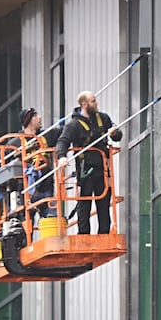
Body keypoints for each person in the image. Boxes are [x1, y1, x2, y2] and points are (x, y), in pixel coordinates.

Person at [56, 91, 122, 234]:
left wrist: (114, 133)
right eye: (93, 101)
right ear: (84, 104)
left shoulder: (103, 119)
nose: (96, 103)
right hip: (86, 170)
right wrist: (62, 156)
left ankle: (104, 234)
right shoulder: (73, 125)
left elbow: (118, 135)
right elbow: (62, 142)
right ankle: (83, 235)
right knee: (84, 203)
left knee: (104, 203)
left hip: (103, 169)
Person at [0, 107, 62, 218]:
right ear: (29, 121)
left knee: (52, 220)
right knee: (23, 224)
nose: (39, 117)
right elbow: (1, 156)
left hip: (45, 187)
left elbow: (66, 133)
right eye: (35, 116)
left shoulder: (47, 135)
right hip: (25, 192)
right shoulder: (16, 142)